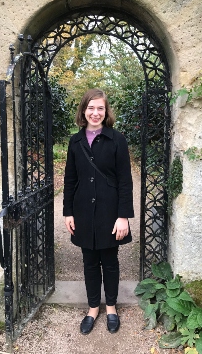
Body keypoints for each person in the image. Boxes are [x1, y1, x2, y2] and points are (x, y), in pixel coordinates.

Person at [63, 88, 134, 335]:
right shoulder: (75, 141)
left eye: (100, 108)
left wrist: (123, 216)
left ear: (106, 111)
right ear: (84, 110)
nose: (95, 113)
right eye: (91, 108)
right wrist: (68, 212)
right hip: (83, 210)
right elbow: (70, 179)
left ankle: (111, 307)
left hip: (110, 210)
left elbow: (125, 181)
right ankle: (93, 308)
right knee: (89, 262)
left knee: (110, 261)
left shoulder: (117, 139)